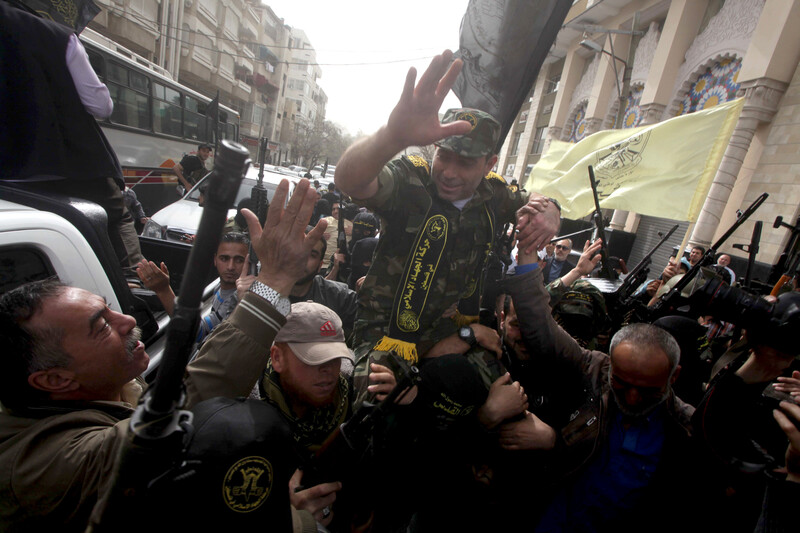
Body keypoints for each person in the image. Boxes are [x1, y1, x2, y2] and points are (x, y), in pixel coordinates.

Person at [0, 178, 327, 531]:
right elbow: (188, 405)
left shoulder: (106, 390)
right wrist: (276, 279)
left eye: (110, 309)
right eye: (101, 326)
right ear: (55, 379)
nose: (126, 320)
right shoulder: (44, 466)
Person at [333, 50, 560, 406]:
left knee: (502, 396)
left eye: (466, 162)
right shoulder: (412, 181)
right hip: (387, 334)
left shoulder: (494, 194)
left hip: (449, 328)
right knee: (380, 404)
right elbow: (351, 179)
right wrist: (391, 136)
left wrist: (552, 211)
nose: (450, 172)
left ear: (490, 164)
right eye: (445, 156)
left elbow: (536, 201)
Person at [505, 241, 702, 531]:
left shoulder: (686, 426)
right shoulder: (593, 368)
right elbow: (538, 325)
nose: (633, 398)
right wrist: (528, 253)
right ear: (611, 363)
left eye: (648, 389)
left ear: (673, 377)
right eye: (621, 383)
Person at [0, 2, 143, 271]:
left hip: (9, 176)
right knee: (117, 218)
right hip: (74, 169)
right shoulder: (58, 37)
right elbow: (101, 106)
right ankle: (135, 284)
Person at [260, 301, 397, 528]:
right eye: (313, 358)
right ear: (277, 358)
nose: (328, 370)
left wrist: (396, 411)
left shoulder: (356, 389)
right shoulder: (250, 411)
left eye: (334, 358)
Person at [136, 232, 250, 344]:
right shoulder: (220, 286)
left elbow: (197, 332)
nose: (230, 267)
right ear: (215, 260)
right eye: (224, 259)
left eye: (239, 260)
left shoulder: (238, 299)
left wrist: (163, 290)